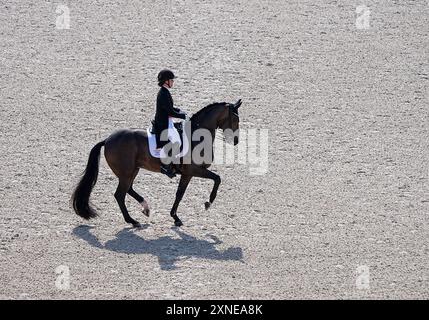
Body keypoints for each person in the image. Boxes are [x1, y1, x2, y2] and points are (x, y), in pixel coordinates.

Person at [152, 69, 188, 178]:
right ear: (165, 81)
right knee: (177, 141)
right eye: (171, 80)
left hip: (168, 121)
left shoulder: (165, 92)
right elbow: (170, 112)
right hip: (164, 124)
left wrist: (181, 111)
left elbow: (171, 108)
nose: (173, 82)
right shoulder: (163, 94)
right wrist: (183, 116)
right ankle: (165, 166)